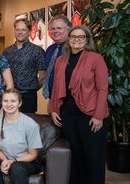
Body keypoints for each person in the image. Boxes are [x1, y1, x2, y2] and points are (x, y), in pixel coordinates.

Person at [49, 25, 108, 184]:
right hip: (68, 116)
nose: (76, 40)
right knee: (75, 157)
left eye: (81, 37)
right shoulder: (61, 60)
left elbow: (103, 89)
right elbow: (55, 87)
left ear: (87, 40)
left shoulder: (95, 58)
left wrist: (99, 115)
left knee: (93, 158)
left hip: (90, 116)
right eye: (73, 36)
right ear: (68, 39)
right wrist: (54, 109)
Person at [0, 88, 43, 184]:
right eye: (5, 101)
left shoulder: (30, 124)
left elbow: (33, 154)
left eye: (13, 101)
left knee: (16, 167)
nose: (9, 104)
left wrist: (13, 161)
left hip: (27, 162)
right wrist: (6, 161)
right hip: (6, 158)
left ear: (19, 103)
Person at [2, 18, 45, 113]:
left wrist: (31, 88)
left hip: (28, 97)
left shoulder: (37, 51)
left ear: (29, 31)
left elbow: (42, 76)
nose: (20, 32)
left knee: (26, 125)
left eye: (23, 30)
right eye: (17, 29)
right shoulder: (7, 52)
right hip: (9, 96)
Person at [42, 15, 71, 99]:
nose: (55, 31)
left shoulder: (73, 49)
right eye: (53, 29)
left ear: (68, 30)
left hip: (68, 99)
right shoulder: (49, 50)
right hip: (52, 99)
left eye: (59, 28)